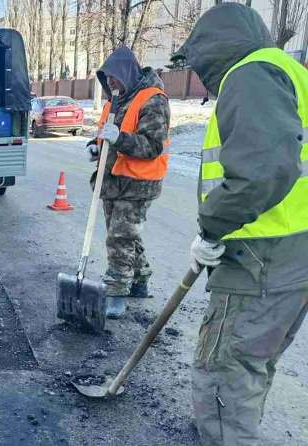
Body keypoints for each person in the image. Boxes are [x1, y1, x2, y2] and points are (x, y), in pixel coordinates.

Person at [172, 4, 308, 444]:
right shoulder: (288, 71)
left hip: (259, 257)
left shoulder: (251, 75)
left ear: (214, 48)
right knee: (251, 367)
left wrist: (211, 226)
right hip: (292, 254)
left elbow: (263, 170)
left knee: (224, 375)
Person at [90, 46, 171, 318]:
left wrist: (119, 139)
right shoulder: (114, 101)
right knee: (125, 235)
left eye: (114, 77)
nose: (111, 83)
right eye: (107, 79)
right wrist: (95, 146)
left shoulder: (153, 100)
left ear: (126, 73)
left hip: (138, 184)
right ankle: (140, 278)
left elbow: (152, 146)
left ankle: (116, 294)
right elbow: (105, 136)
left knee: (120, 237)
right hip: (112, 181)